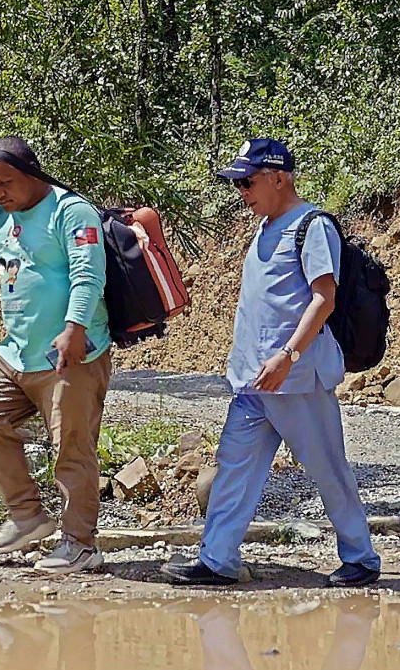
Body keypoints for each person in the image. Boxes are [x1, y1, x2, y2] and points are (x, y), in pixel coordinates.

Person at [161, 138, 381, 587]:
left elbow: (324, 298)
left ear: (279, 177)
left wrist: (288, 355)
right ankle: (217, 559)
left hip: (297, 380)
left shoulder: (312, 225)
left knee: (327, 469)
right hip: (254, 383)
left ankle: (360, 557)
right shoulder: (264, 226)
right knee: (233, 467)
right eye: (237, 182)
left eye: (248, 181)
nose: (241, 191)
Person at [0, 136, 112, 574]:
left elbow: (88, 275)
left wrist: (74, 328)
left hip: (70, 352)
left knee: (72, 449)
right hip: (16, 353)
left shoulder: (70, 211)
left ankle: (81, 545)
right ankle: (27, 517)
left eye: (6, 182)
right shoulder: (0, 213)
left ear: (33, 175)